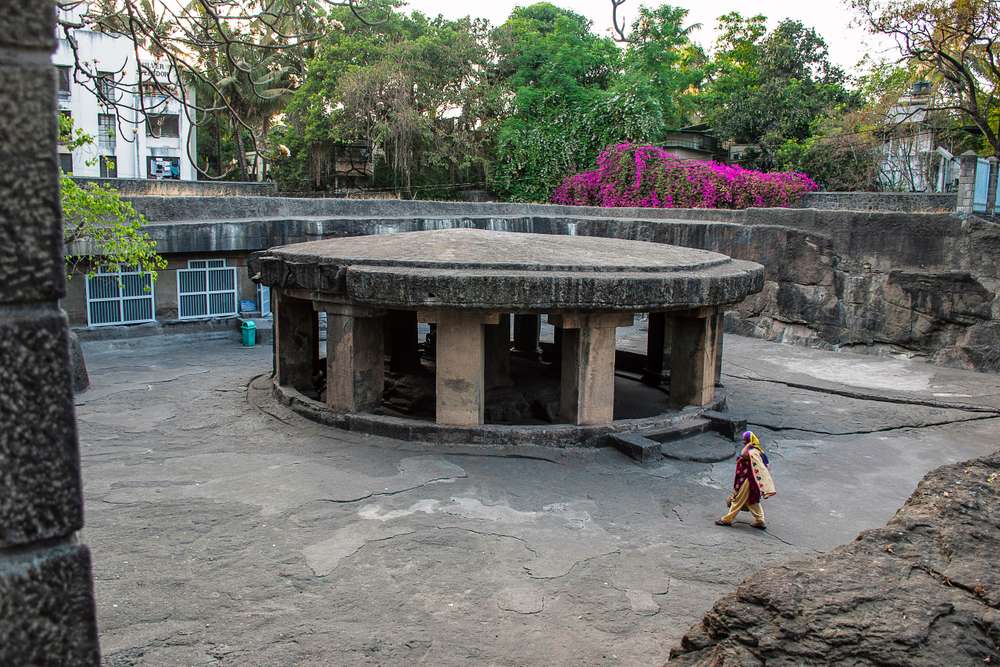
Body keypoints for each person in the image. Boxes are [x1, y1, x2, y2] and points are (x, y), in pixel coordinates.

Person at [715, 431, 776, 530]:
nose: (743, 441)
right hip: (754, 481)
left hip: (749, 480)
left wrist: (748, 446)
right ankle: (760, 520)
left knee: (738, 500)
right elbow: (767, 466)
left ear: (749, 440)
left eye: (745, 439)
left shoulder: (753, 452)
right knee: (752, 501)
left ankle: (727, 519)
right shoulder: (760, 451)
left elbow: (743, 455)